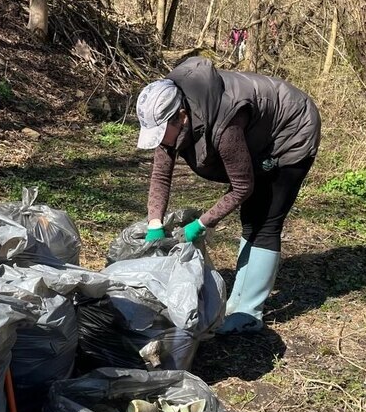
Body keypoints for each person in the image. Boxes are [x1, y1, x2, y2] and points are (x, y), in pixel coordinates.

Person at [135, 57, 320, 334]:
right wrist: (154, 224)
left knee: (266, 221)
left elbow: (242, 186)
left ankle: (249, 312)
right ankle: (237, 300)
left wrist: (202, 223)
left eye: (162, 132)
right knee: (250, 221)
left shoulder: (225, 122)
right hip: (259, 133)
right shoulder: (173, 117)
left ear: (182, 117)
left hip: (292, 130)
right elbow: (161, 175)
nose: (160, 140)